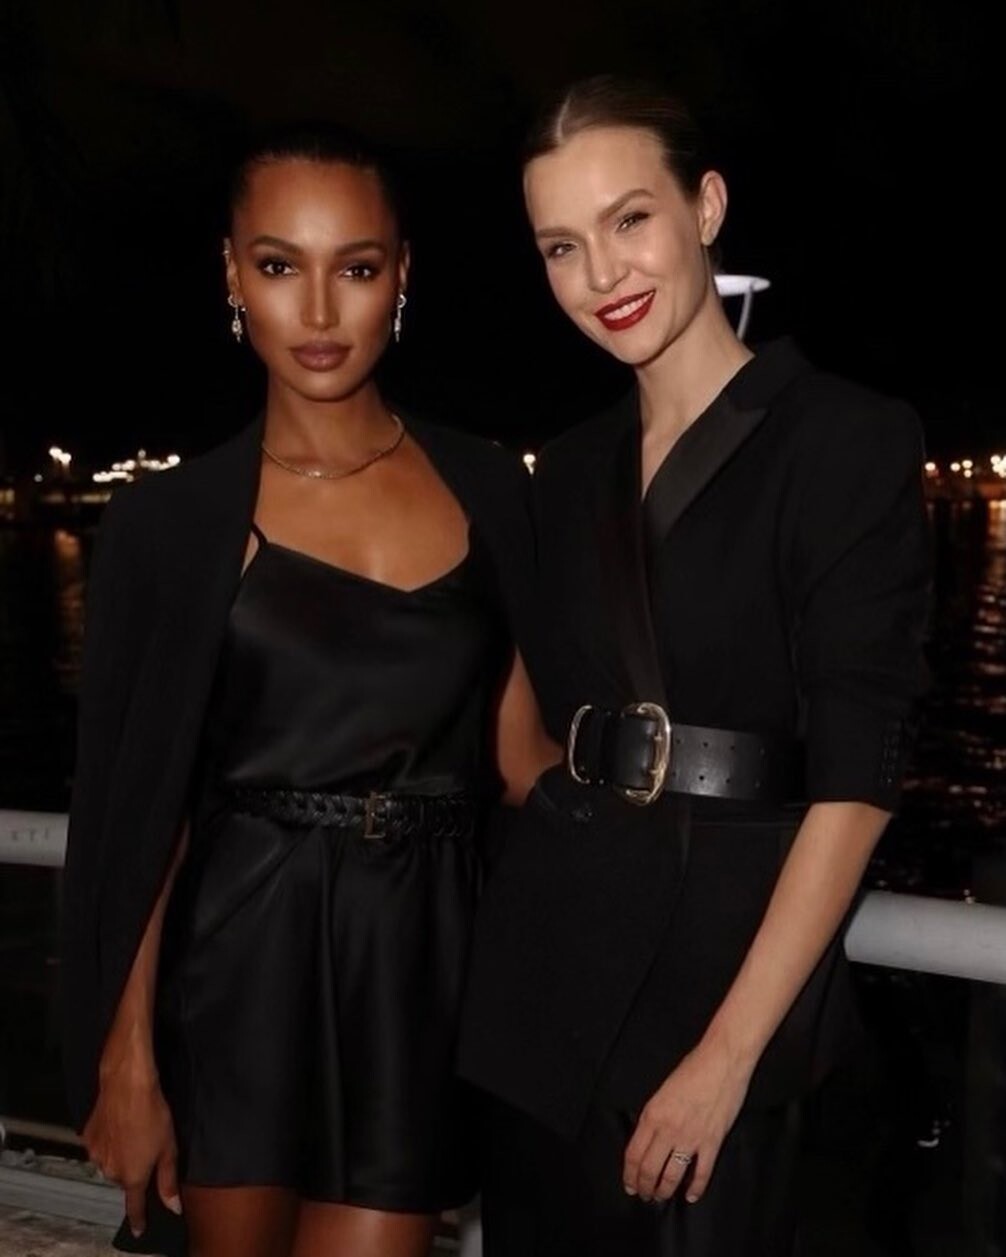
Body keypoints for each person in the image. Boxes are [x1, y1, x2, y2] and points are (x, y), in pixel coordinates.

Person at [458, 74, 932, 1256]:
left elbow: (859, 776)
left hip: (718, 1003)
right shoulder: (567, 472)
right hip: (540, 997)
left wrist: (728, 1058)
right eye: (561, 247)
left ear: (705, 207)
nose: (601, 275)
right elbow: (519, 721)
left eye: (629, 220)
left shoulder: (841, 439)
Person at [61, 124, 552, 1257]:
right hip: (237, 960)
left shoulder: (488, 487)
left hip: (418, 964)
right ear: (232, 275)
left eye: (357, 267)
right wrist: (126, 1059)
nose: (320, 311)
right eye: (281, 265)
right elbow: (138, 813)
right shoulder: (170, 524)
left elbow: (519, 761)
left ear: (402, 275)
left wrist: (698, 820)